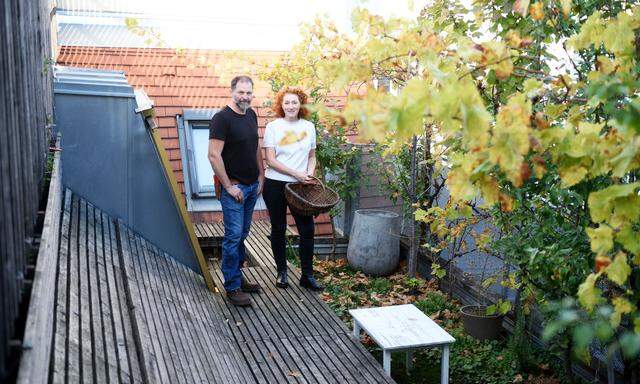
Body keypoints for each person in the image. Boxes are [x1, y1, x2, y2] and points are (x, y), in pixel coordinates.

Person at [208, 75, 264, 306]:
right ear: (232, 91)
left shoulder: (251, 114)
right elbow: (213, 155)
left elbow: (255, 146)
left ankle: (238, 278)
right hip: (235, 189)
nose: (245, 97)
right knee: (232, 237)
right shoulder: (222, 119)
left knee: (242, 235)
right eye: (241, 92)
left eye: (249, 93)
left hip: (252, 187)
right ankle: (231, 286)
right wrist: (229, 186)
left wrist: (262, 175)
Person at [262, 86, 324, 291]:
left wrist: (309, 173)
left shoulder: (309, 126)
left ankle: (307, 275)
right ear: (281, 105)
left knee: (307, 229)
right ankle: (281, 272)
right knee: (278, 228)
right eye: (286, 102)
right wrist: (296, 173)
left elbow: (312, 156)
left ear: (301, 105)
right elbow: (270, 160)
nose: (290, 106)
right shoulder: (273, 127)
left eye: (294, 102)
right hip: (275, 184)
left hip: (300, 186)